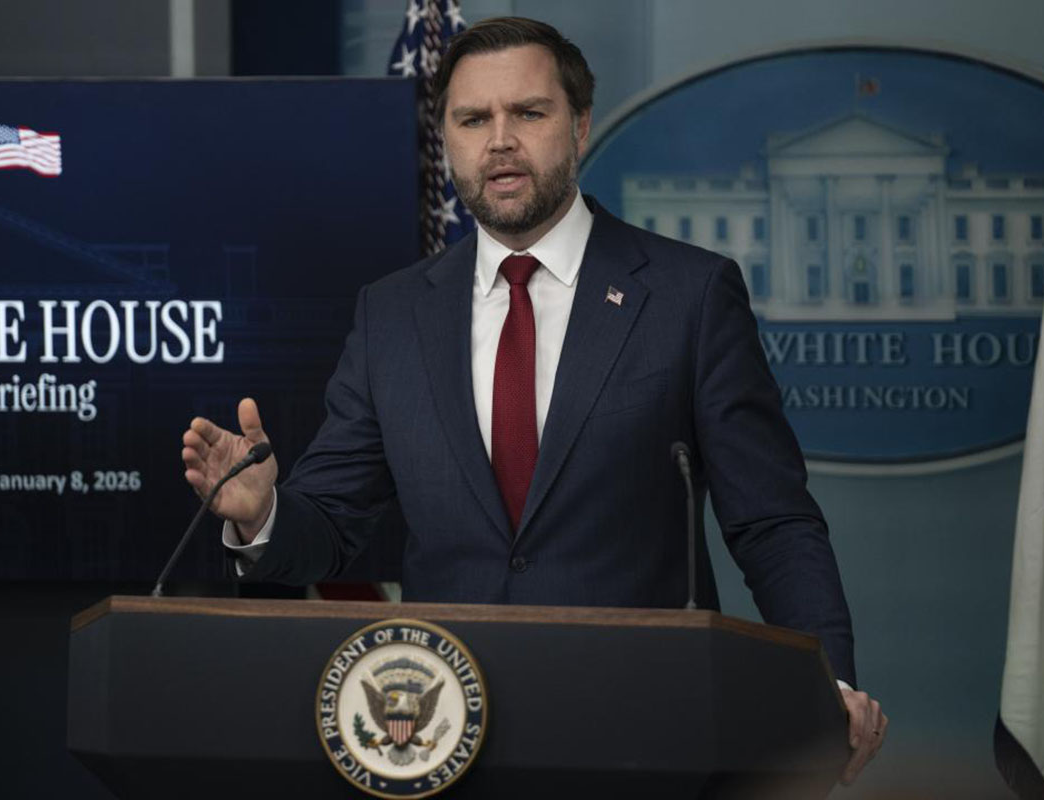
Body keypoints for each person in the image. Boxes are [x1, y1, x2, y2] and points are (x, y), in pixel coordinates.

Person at [181, 16, 886, 783]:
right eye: (472, 119)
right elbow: (331, 521)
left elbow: (772, 522)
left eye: (528, 112)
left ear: (579, 125)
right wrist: (262, 512)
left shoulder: (690, 295)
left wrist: (829, 683)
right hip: (442, 741)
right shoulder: (392, 315)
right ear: (446, 140)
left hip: (646, 736)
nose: (500, 140)